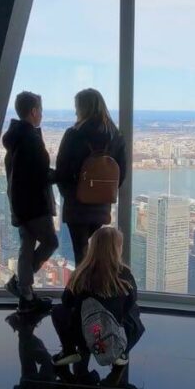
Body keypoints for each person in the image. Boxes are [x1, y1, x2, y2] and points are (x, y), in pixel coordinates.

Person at [52, 227, 144, 379]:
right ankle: (121, 352)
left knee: (58, 311)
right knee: (134, 311)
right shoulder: (125, 275)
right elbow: (131, 302)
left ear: (92, 248)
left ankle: (69, 351)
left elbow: (66, 301)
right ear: (117, 249)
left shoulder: (80, 274)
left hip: (83, 336)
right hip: (113, 333)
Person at [55, 88, 127, 266]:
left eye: (77, 107)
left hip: (77, 206)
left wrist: (70, 195)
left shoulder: (74, 134)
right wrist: (103, 192)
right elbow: (121, 173)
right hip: (102, 206)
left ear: (82, 108)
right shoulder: (116, 136)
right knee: (98, 254)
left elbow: (62, 171)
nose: (75, 111)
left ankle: (82, 291)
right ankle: (99, 289)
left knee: (80, 255)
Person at [1, 92, 56, 314]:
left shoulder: (15, 138)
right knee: (51, 242)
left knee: (27, 245)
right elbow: (40, 175)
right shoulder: (30, 140)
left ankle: (25, 295)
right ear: (34, 111)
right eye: (40, 110)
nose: (41, 115)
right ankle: (21, 285)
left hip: (19, 202)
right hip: (33, 204)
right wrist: (64, 175)